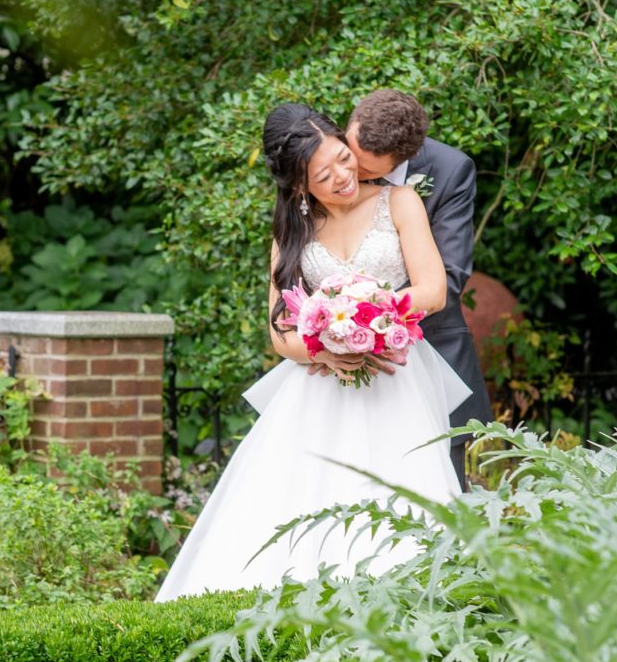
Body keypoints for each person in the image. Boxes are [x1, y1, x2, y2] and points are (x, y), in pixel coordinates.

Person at [155, 103, 472, 603]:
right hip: (319, 386)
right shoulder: (291, 230)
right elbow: (280, 332)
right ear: (300, 186)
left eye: (344, 159)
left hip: (395, 378)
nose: (344, 176)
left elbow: (432, 290)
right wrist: (324, 347)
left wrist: (365, 317)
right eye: (325, 175)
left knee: (403, 503)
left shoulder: (401, 201)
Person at [346, 89, 492, 489]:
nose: (348, 172)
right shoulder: (329, 155)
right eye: (348, 149)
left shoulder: (450, 171)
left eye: (362, 167)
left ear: (402, 159)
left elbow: (450, 274)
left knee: (439, 501)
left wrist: (362, 315)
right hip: (339, 368)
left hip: (428, 358)